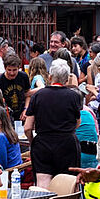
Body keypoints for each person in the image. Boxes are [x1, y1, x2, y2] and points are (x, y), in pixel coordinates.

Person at [22, 59, 82, 189]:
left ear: (50, 77)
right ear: (67, 79)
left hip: (43, 143)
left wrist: (32, 142)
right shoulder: (74, 96)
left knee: (42, 184)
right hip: (67, 144)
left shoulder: (38, 95)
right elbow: (77, 123)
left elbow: (27, 127)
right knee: (68, 185)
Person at [0, 52, 30, 121]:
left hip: (22, 114)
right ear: (5, 68)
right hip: (6, 116)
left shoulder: (23, 77)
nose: (12, 73)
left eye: (14, 70)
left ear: (19, 68)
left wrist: (26, 109)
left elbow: (28, 94)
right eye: (9, 70)